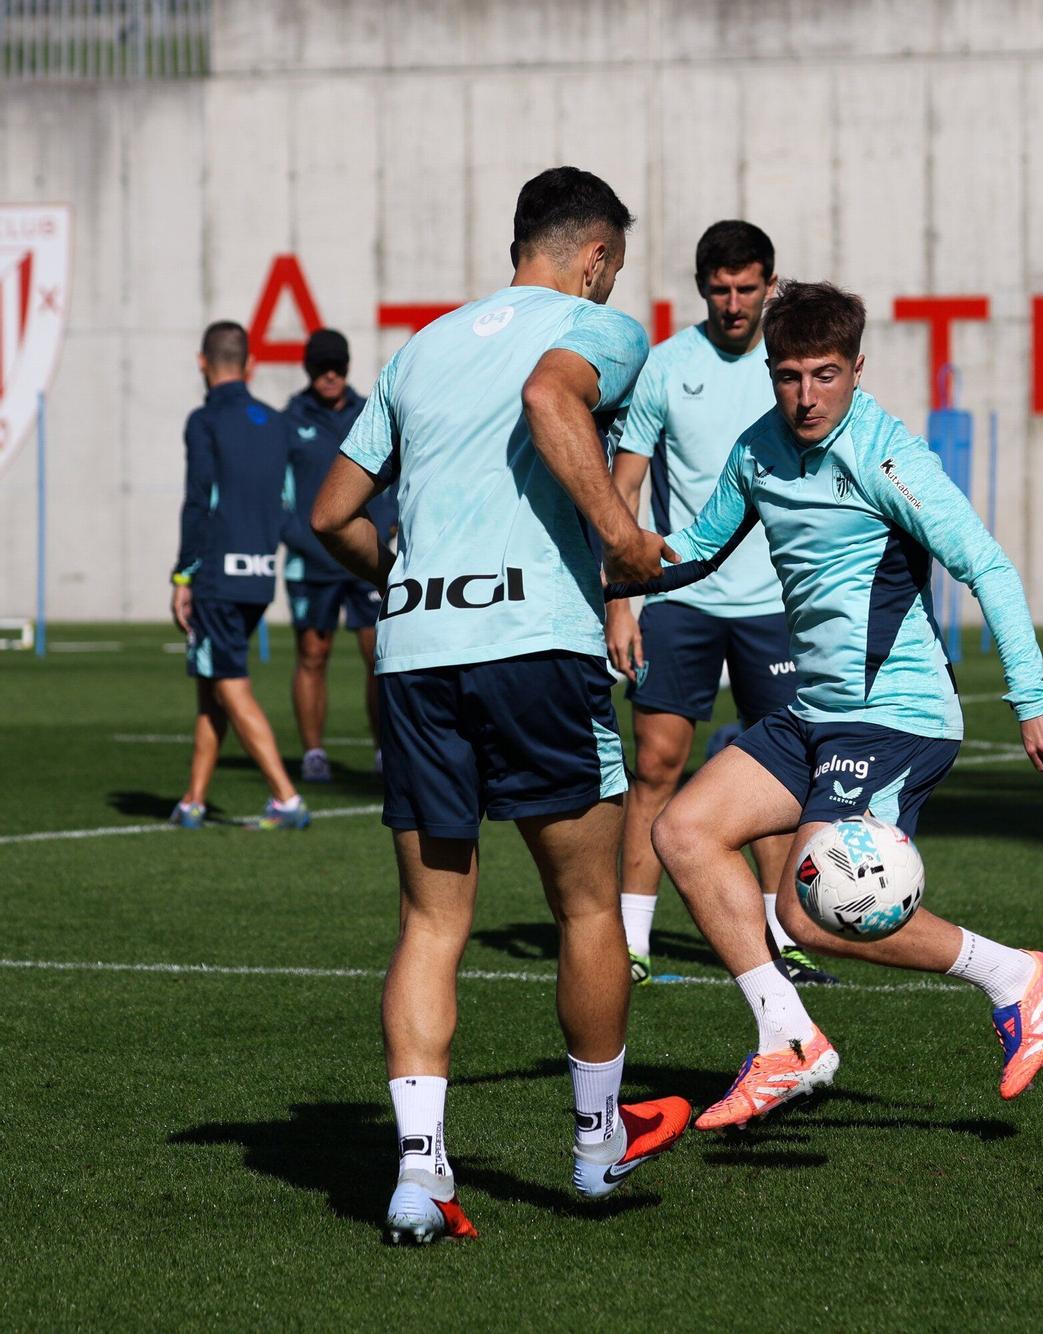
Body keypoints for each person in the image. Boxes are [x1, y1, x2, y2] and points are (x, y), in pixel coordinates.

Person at [311, 167, 689, 1244]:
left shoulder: (421, 345)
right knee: (585, 903)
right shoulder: (594, 328)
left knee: (433, 921)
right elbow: (548, 396)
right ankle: (592, 1144)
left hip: (417, 652)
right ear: (597, 255)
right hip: (534, 650)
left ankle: (419, 1174)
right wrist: (621, 540)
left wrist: (411, 577)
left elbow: (334, 512)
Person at [615, 281, 1043, 1132]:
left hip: (898, 714)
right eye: (789, 375)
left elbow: (989, 566)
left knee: (813, 914)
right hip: (815, 712)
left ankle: (1016, 975)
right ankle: (787, 1041)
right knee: (682, 831)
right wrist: (606, 566)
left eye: (825, 375)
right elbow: (695, 552)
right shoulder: (757, 450)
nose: (805, 396)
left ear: (857, 368)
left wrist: (1033, 698)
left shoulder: (889, 456)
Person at [605, 220, 836, 988]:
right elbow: (625, 488)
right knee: (657, 766)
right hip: (682, 598)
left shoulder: (791, 372)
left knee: (783, 775)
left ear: (771, 285)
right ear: (701, 288)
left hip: (778, 605)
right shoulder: (665, 367)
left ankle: (782, 937)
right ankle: (631, 943)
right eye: (720, 289)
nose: (735, 303)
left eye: (748, 288)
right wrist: (620, 601)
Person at [169, 320, 310, 832]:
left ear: (202, 362)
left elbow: (198, 500)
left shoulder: (203, 421)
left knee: (227, 681)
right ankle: (193, 800)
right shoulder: (276, 423)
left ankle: (285, 796)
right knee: (214, 684)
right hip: (258, 574)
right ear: (249, 365)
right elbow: (287, 501)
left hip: (217, 577)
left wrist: (183, 577)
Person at [282, 327, 394, 781]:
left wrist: (388, 524)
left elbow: (393, 471)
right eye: (320, 367)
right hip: (310, 560)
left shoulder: (370, 410)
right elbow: (276, 491)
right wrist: (296, 535)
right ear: (308, 369)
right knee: (312, 654)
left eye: (338, 367)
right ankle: (313, 754)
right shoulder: (289, 418)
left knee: (378, 655)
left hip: (363, 557)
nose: (329, 375)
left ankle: (385, 749)